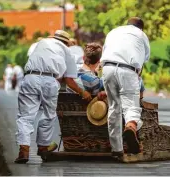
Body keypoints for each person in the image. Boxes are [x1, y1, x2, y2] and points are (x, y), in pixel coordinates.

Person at [14, 30, 92, 164]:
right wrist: (83, 92)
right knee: (49, 114)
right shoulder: (67, 51)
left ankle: (24, 149)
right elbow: (69, 81)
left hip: (30, 77)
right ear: (67, 42)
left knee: (25, 116)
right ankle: (43, 146)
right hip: (50, 81)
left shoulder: (41, 43)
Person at [101, 17, 150, 159]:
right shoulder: (141, 35)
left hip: (108, 68)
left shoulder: (113, 32)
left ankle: (116, 148)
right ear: (141, 28)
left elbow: (105, 50)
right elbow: (144, 59)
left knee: (114, 107)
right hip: (128, 70)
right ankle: (131, 126)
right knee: (131, 105)